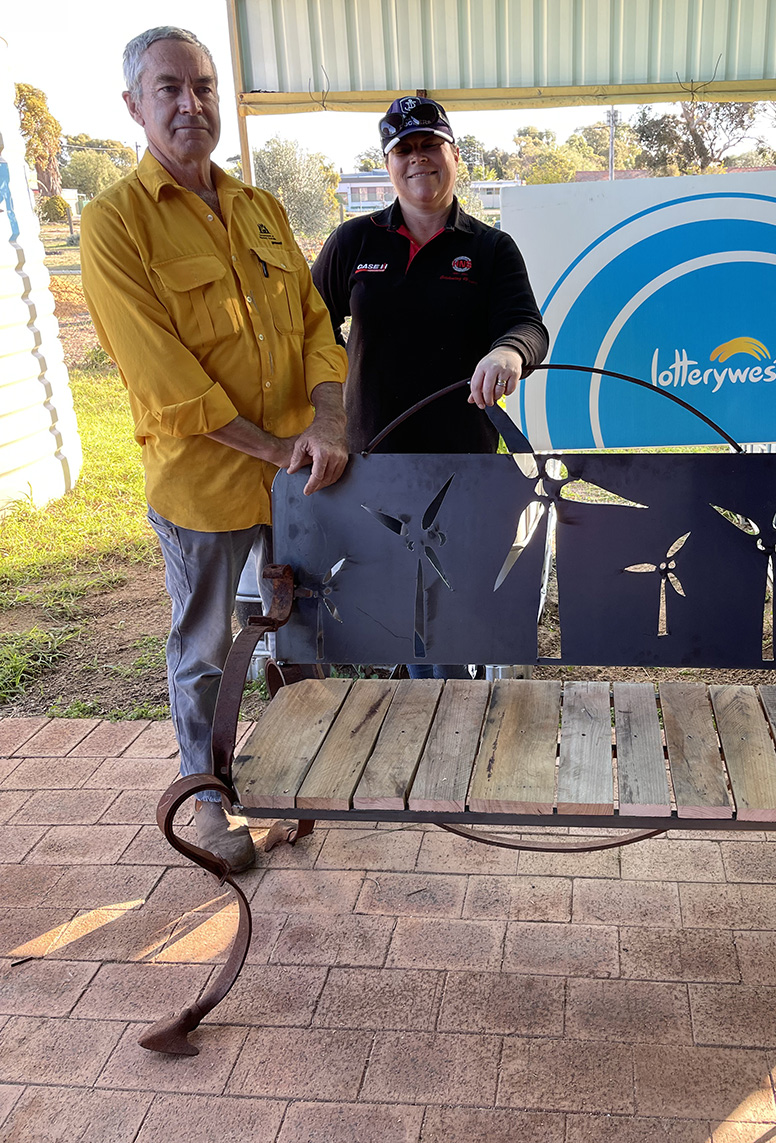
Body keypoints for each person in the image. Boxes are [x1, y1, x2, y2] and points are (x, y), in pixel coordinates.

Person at [81, 27, 349, 871]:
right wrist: (277, 449)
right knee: (204, 649)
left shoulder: (260, 209)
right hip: (205, 484)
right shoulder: (113, 224)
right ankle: (206, 796)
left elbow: (315, 327)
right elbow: (169, 384)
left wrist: (329, 423)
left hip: (297, 477)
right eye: (168, 89)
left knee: (297, 627)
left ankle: (297, 774)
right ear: (135, 106)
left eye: (202, 86)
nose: (189, 104)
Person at [310, 96, 548, 677]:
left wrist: (508, 352)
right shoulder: (354, 243)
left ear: (454, 156)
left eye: (430, 146)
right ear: (389, 165)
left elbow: (528, 326)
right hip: (373, 462)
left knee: (450, 612)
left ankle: (447, 725)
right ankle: (422, 718)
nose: (419, 160)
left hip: (460, 467)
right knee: (395, 610)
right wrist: (325, 406)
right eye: (404, 150)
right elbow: (309, 329)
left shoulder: (490, 248)